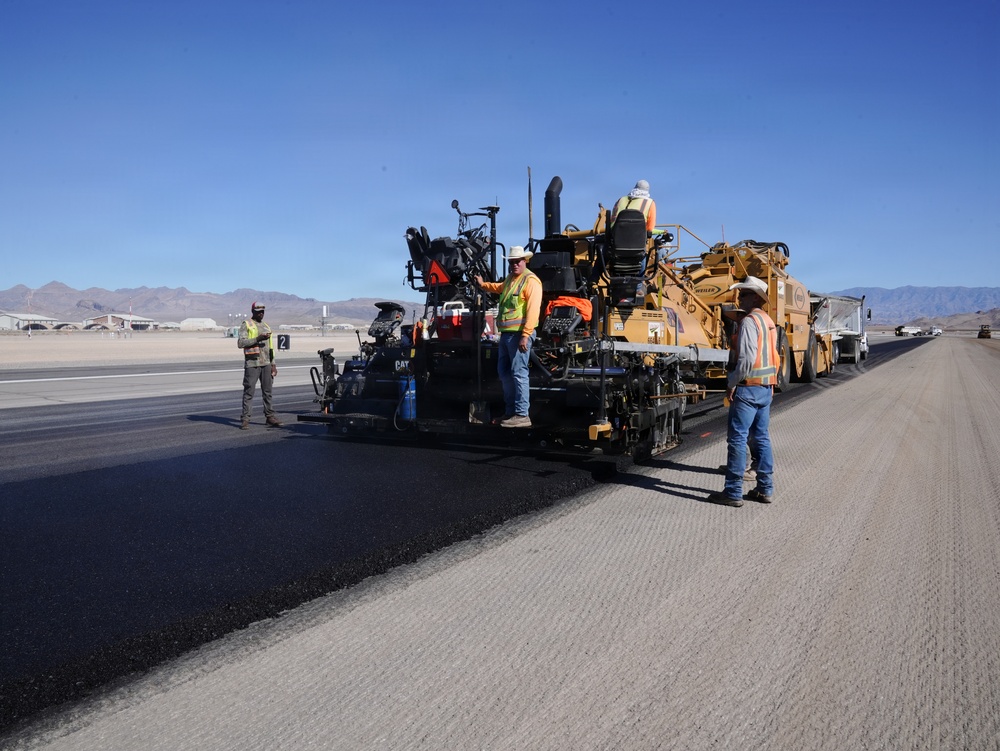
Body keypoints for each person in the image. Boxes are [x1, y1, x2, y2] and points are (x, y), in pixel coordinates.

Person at [708, 276, 778, 507]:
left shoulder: (749, 322)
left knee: (738, 439)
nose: (740, 297)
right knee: (762, 438)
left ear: (756, 297)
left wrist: (732, 382)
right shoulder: (768, 321)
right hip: (766, 388)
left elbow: (747, 359)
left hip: (748, 389)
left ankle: (733, 492)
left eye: (744, 293)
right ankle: (765, 489)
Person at [474, 246, 542, 428]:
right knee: (505, 373)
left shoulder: (531, 281)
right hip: (506, 336)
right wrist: (483, 284)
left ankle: (522, 414)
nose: (514, 264)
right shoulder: (511, 279)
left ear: (524, 261)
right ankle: (511, 412)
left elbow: (533, 311)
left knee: (519, 373)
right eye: (511, 261)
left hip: (519, 335)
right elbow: (498, 288)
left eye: (517, 261)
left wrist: (525, 336)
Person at [238, 301, 282, 430]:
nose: (261, 314)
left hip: (266, 363)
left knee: (267, 392)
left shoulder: (266, 326)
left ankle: (270, 417)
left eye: (263, 312)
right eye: (258, 312)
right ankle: (245, 419)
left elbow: (271, 347)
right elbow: (241, 343)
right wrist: (257, 339)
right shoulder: (246, 324)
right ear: (253, 312)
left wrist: (273, 364)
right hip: (252, 363)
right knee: (249, 392)